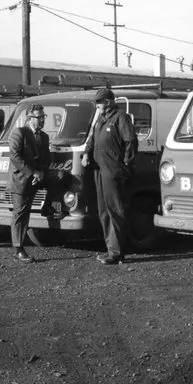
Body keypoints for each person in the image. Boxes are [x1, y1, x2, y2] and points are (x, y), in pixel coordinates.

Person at [81, 87, 137, 265]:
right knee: (103, 210)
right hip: (99, 169)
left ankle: (117, 252)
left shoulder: (120, 117)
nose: (97, 106)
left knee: (115, 210)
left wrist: (126, 163)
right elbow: (92, 139)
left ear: (107, 102)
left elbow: (131, 141)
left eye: (99, 103)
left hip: (113, 170)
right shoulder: (100, 118)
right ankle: (110, 249)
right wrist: (86, 153)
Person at [8, 104, 51, 263]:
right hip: (21, 180)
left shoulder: (44, 137)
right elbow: (15, 157)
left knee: (60, 177)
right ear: (29, 118)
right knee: (20, 214)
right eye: (38, 117)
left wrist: (41, 174)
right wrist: (33, 173)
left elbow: (46, 160)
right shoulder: (19, 132)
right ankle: (18, 249)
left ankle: (47, 206)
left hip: (36, 178)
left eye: (43, 117)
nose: (42, 120)